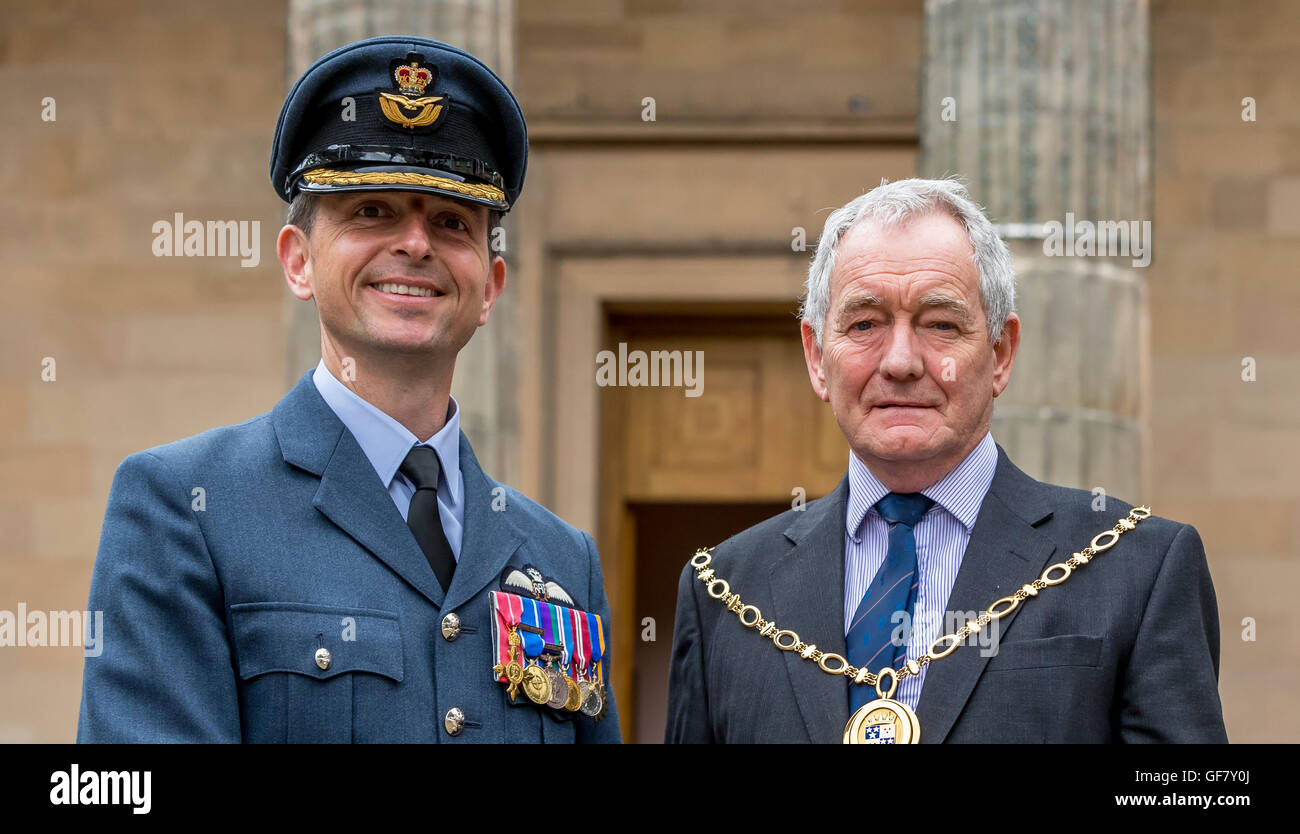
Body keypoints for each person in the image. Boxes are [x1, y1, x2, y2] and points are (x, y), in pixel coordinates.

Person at [77, 36, 621, 743]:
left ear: (490, 287)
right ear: (298, 261)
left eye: (452, 222)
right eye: (372, 212)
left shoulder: (560, 558)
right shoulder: (185, 509)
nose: (416, 244)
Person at [664, 178, 1227, 744]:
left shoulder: (1137, 566)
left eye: (940, 325)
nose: (902, 361)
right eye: (865, 324)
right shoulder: (724, 590)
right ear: (816, 357)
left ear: (1001, 354)